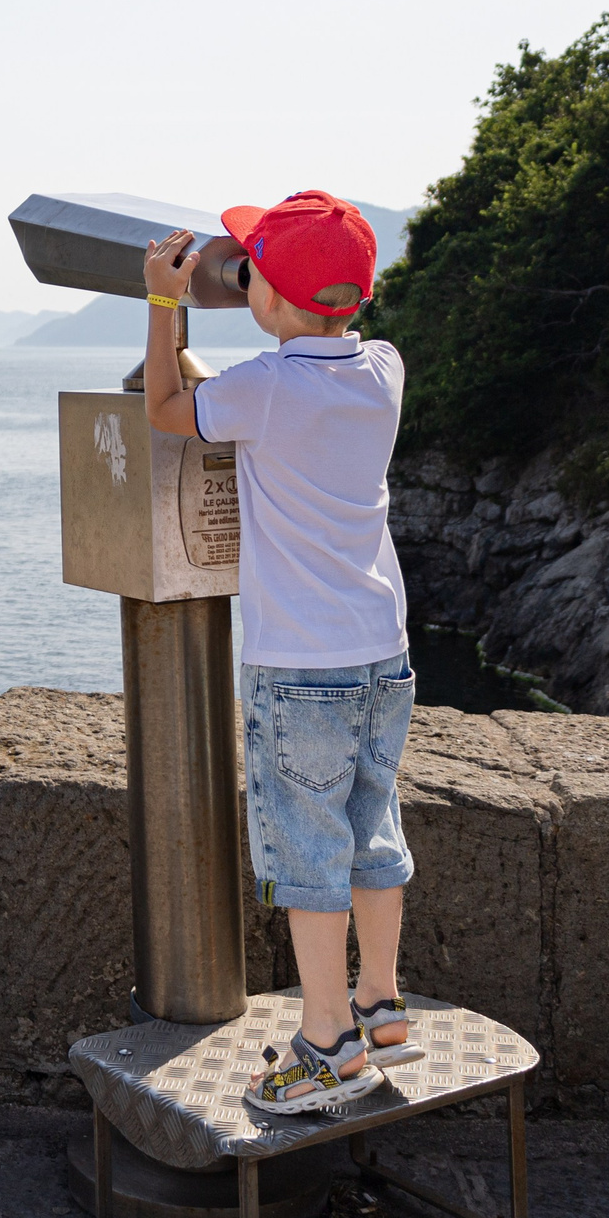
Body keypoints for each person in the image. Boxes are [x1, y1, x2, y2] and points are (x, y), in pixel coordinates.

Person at [139, 190, 419, 1114]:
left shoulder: (263, 386)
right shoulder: (383, 368)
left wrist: (163, 302)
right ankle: (381, 1005)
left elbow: (170, 409)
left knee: (309, 857)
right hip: (384, 652)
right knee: (373, 833)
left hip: (301, 665)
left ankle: (327, 1043)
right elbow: (309, 344)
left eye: (254, 267)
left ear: (265, 296)